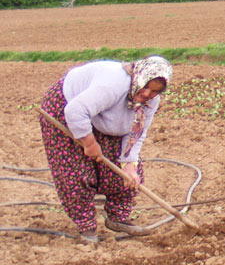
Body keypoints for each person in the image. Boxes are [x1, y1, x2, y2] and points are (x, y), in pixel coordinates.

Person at [39, 56, 172, 242]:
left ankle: (118, 217)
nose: (147, 93)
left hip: (101, 115)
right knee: (75, 171)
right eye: (146, 86)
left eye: (154, 91)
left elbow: (137, 132)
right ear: (139, 78)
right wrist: (90, 143)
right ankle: (87, 227)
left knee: (125, 174)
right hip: (68, 106)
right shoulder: (113, 85)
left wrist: (129, 164)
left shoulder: (151, 100)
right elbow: (75, 111)